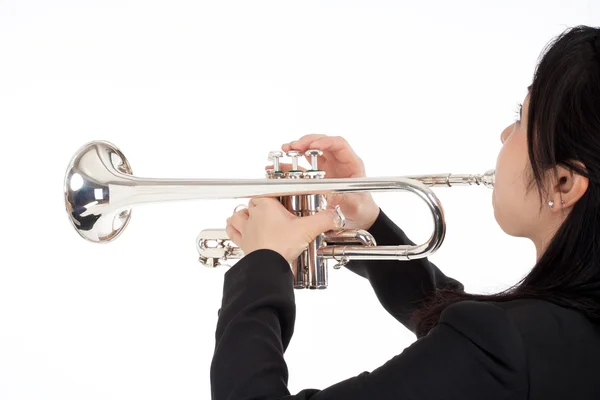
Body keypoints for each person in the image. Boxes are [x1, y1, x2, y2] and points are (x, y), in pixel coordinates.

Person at [210, 25, 600, 399]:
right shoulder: (559, 330)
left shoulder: (507, 345)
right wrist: (367, 220)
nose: (504, 134)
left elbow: (485, 345)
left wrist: (263, 264)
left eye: (521, 118)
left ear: (562, 183)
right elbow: (468, 333)